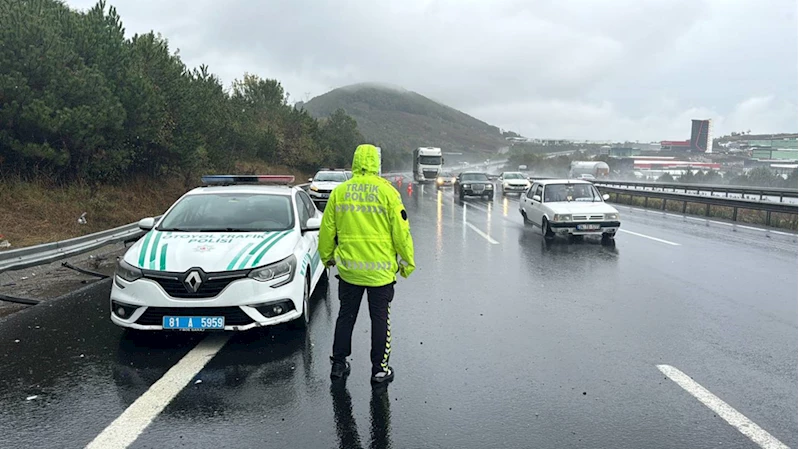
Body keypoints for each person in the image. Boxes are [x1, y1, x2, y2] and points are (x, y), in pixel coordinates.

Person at [319, 144, 415, 385]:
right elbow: (401, 232)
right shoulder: (388, 193)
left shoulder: (340, 192)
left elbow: (327, 230)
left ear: (354, 162)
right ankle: (379, 370)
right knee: (380, 320)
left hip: (349, 271)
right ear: (376, 164)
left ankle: (339, 365)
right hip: (380, 274)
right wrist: (406, 263)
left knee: (346, 317)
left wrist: (327, 257)